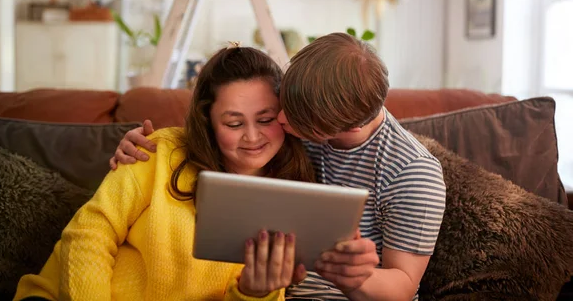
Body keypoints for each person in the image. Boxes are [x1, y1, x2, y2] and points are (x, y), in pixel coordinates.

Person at [112, 32, 447, 301]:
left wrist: (354, 277)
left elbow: (402, 286)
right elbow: (228, 126)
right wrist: (150, 145)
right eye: (283, 103)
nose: (282, 120)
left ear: (350, 126)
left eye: (298, 120)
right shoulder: (296, 123)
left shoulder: (413, 174)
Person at [14, 45, 314, 301]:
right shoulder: (160, 150)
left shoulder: (294, 190)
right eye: (234, 124)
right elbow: (89, 233)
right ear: (207, 122)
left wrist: (254, 293)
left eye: (265, 119)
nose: (252, 136)